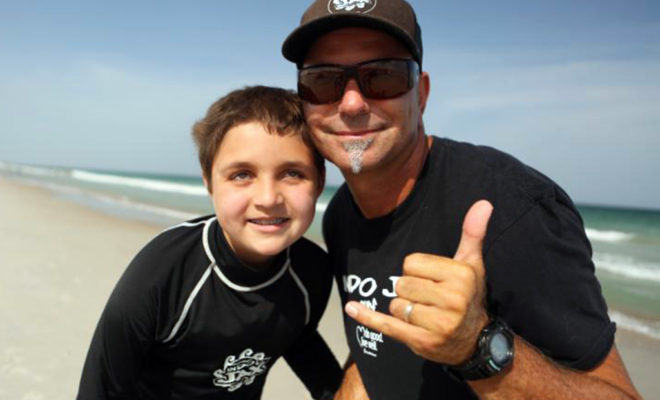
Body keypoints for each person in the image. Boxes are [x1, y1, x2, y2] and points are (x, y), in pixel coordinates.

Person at [281, 1, 641, 399]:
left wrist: (477, 346)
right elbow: (375, 342)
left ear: (422, 95)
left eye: (382, 77)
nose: (351, 104)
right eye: (323, 81)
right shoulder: (339, 215)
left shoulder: (513, 209)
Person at [76, 86, 342, 399]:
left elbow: (297, 338)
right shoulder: (163, 273)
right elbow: (102, 389)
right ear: (209, 181)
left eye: (292, 173)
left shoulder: (312, 272)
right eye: (242, 174)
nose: (268, 198)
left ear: (320, 182)